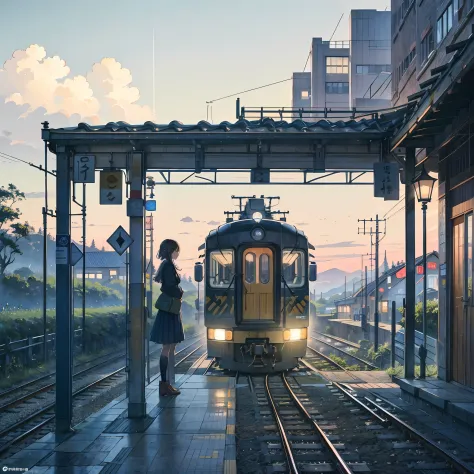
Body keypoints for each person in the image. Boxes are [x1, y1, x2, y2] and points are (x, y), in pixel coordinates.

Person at [150, 239, 185, 396]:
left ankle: (166, 383)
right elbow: (169, 287)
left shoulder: (165, 264)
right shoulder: (169, 266)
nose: (178, 252)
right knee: (167, 347)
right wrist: (180, 292)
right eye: (176, 250)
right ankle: (164, 384)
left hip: (167, 310)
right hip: (170, 310)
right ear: (171, 250)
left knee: (169, 347)